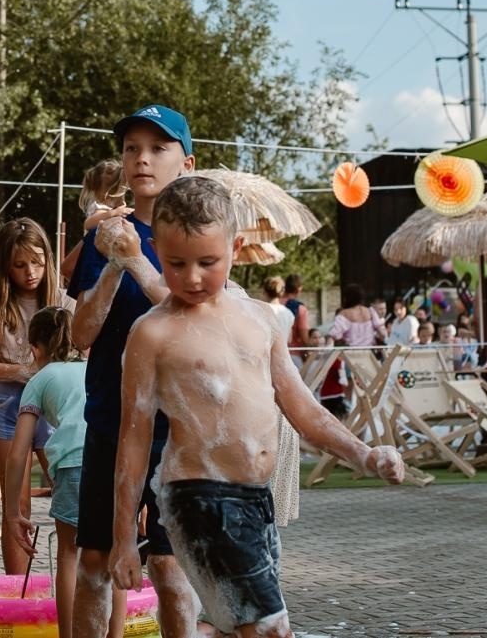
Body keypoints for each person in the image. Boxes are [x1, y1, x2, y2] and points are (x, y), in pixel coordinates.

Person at [110, 176, 405, 637]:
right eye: (175, 263)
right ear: (154, 248)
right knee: (269, 629)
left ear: (237, 246)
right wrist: (123, 536)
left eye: (208, 262)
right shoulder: (154, 333)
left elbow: (302, 407)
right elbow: (134, 436)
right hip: (200, 498)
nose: (191, 277)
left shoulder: (259, 319)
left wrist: (363, 454)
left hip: (255, 499)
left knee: (230, 626)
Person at [66, 105, 199, 638]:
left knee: (170, 568)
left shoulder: (197, 238)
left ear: (186, 163)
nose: (141, 158)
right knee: (96, 563)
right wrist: (112, 266)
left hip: (178, 428)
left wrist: (139, 261)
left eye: (157, 148)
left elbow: (191, 318)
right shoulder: (106, 235)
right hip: (111, 421)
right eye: (131, 148)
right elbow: (81, 335)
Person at [4, 307, 124, 638]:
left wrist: (13, 511)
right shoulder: (100, 370)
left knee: (69, 555)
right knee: (113, 554)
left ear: (35, 348)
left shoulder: (40, 379)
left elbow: (18, 454)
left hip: (75, 466)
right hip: (117, 465)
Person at [0, 218, 74, 575]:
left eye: (38, 262)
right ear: (4, 266)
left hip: (58, 410)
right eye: (19, 265)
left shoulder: (63, 301)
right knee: (18, 505)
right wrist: (21, 371)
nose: (30, 272)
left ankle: (74, 578)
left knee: (69, 495)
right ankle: (18, 591)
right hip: (11, 409)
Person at [59, 159, 127, 283]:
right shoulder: (101, 209)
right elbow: (88, 223)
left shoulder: (106, 209)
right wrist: (113, 213)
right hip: (93, 257)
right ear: (112, 193)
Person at [327, 284, 386, 349]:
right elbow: (383, 333)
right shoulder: (370, 311)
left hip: (351, 355)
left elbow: (335, 335)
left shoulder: (343, 314)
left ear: (347, 298)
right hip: (370, 355)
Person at [261, 276, 295, 342]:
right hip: (283, 351)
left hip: (265, 351)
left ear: (264, 292)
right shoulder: (289, 313)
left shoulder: (260, 310)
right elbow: (289, 340)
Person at [282, 275, 309, 348]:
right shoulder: (300, 308)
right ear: (299, 289)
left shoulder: (273, 304)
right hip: (293, 351)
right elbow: (304, 337)